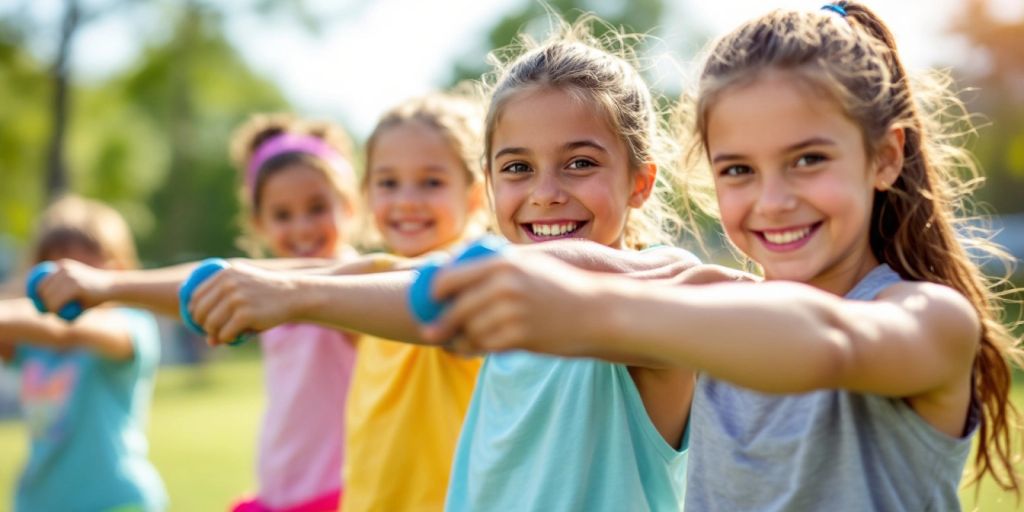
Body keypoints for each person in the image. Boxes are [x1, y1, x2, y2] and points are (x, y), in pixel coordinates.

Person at [421, 2, 1024, 509]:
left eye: (808, 160)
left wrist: (586, 312)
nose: (774, 200)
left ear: (885, 157)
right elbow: (415, 289)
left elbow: (829, 346)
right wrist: (325, 289)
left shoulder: (935, 319)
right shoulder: (708, 299)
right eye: (739, 169)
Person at [188, 18, 707, 511]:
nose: (545, 194)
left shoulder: (657, 286)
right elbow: (373, 277)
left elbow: (530, 277)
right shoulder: (495, 304)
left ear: (639, 182)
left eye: (580, 163)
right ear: (490, 181)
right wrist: (114, 287)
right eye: (518, 168)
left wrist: (296, 298)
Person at [36, 114, 361, 512]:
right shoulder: (270, 293)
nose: (302, 227)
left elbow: (225, 278)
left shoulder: (352, 284)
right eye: (282, 214)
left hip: (339, 494)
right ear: (257, 223)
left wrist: (108, 286)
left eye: (317, 207)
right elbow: (203, 288)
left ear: (349, 207)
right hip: (281, 494)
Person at [341, 91, 488, 511]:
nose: (407, 199)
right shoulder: (366, 285)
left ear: (474, 196)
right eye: (388, 183)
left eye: (431, 182)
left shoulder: (465, 272)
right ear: (367, 194)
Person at [0, 195, 167, 512]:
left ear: (118, 272)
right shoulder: (27, 341)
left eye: (85, 269)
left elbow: (69, 328)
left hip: (116, 501)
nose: (69, 286)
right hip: (40, 504)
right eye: (54, 268)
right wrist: (27, 289)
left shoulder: (131, 326)